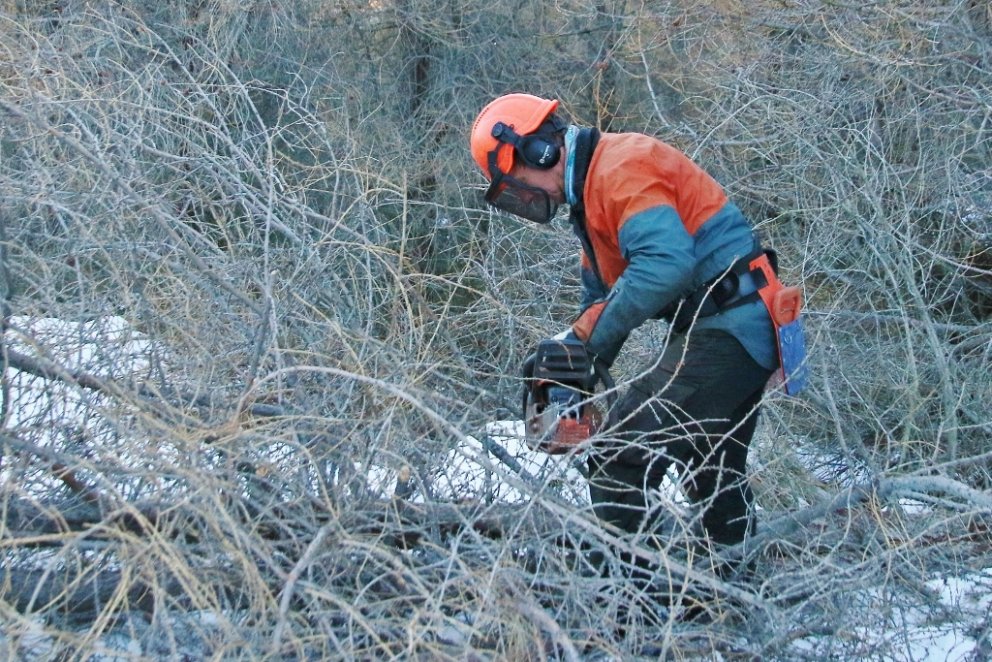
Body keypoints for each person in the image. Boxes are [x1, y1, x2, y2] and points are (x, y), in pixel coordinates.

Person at [469, 93, 795, 589]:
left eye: (518, 182)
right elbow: (601, 303)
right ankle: (734, 589)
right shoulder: (591, 202)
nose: (524, 195)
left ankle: (631, 602)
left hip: (731, 324)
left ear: (539, 150)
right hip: (728, 325)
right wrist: (571, 358)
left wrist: (586, 340)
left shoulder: (621, 167)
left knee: (616, 459)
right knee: (711, 469)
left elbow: (666, 265)